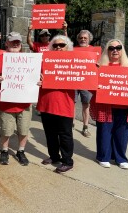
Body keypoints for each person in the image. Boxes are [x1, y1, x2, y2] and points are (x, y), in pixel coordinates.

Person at [90, 39, 128, 169]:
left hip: (124, 106)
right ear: (107, 51)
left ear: (122, 50)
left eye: (118, 47)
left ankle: (120, 158)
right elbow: (90, 85)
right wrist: (96, 87)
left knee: (122, 133)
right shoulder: (99, 66)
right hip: (105, 106)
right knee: (104, 131)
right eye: (111, 48)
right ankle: (103, 156)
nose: (115, 50)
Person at [0, 32, 32, 166]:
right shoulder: (0, 59)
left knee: (23, 130)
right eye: (12, 42)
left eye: (18, 42)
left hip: (24, 103)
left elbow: (36, 77)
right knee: (6, 130)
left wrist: (39, 81)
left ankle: (21, 151)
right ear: (7, 43)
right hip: (6, 103)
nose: (15, 44)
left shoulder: (28, 60)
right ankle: (4, 151)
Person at [37, 35, 76, 173]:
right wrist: (37, 79)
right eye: (55, 45)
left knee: (65, 134)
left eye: (61, 45)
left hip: (64, 105)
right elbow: (33, 77)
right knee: (50, 134)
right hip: (46, 103)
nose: (58, 47)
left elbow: (86, 79)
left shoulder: (75, 63)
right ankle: (54, 157)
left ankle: (67, 161)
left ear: (68, 47)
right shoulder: (43, 61)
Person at [74, 30, 95, 137]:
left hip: (86, 82)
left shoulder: (94, 51)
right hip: (73, 81)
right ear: (78, 39)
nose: (83, 39)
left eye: (85, 38)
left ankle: (85, 127)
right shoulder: (73, 49)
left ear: (89, 39)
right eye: (81, 38)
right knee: (71, 103)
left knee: (86, 104)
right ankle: (70, 122)